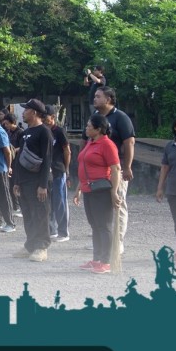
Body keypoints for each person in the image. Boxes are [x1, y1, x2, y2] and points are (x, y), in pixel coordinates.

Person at [74, 113, 122, 274]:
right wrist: (78, 189)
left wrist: (114, 191)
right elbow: (84, 166)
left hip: (101, 190)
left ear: (99, 129)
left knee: (104, 225)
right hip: (88, 189)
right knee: (95, 225)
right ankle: (97, 259)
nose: (86, 128)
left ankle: (106, 261)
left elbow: (115, 169)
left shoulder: (107, 145)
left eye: (89, 126)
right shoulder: (90, 142)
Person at [91, 85, 135, 252]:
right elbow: (87, 139)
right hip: (98, 170)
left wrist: (127, 166)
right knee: (101, 205)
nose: (94, 99)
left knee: (118, 203)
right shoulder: (95, 117)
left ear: (108, 99)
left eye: (98, 96)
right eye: (94, 96)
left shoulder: (120, 117)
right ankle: (104, 240)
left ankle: (118, 241)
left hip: (117, 168)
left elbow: (129, 142)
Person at [11, 99, 53, 262]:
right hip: (24, 181)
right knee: (28, 214)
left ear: (34, 112)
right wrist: (16, 181)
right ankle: (30, 244)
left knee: (40, 214)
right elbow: (20, 158)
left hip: (37, 182)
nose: (23, 113)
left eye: (26, 109)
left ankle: (42, 247)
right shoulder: (25, 133)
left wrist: (43, 185)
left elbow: (47, 159)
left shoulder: (44, 132)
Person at [155, 113, 176, 262]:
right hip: (173, 190)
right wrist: (160, 188)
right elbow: (165, 167)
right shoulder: (170, 146)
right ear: (175, 127)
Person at [44, 105, 72, 241]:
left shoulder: (59, 131)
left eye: (45, 117)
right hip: (46, 171)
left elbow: (67, 151)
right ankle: (52, 229)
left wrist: (66, 169)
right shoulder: (43, 131)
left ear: (53, 117)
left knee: (60, 201)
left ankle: (63, 231)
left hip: (58, 170)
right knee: (48, 202)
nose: (43, 119)